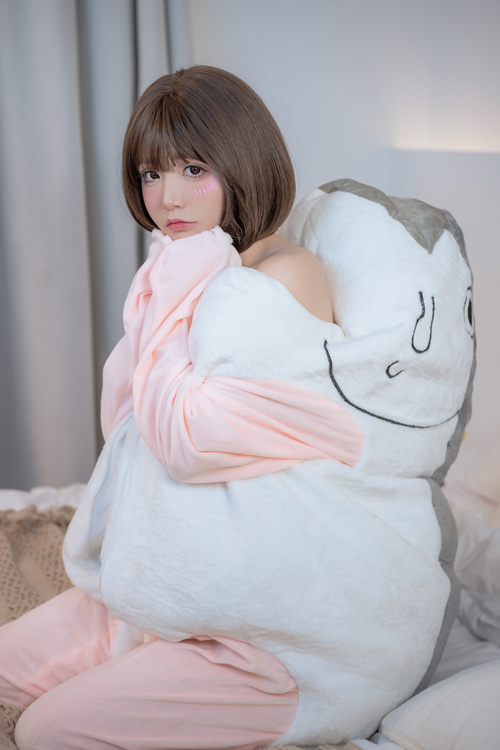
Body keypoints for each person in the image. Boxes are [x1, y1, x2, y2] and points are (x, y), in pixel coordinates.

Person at [0, 65, 365, 750]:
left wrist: (179, 279)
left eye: (194, 169)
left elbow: (185, 439)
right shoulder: (196, 262)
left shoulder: (283, 274)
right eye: (150, 174)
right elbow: (124, 419)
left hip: (252, 624)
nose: (168, 198)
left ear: (243, 162)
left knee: (48, 731)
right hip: (165, 578)